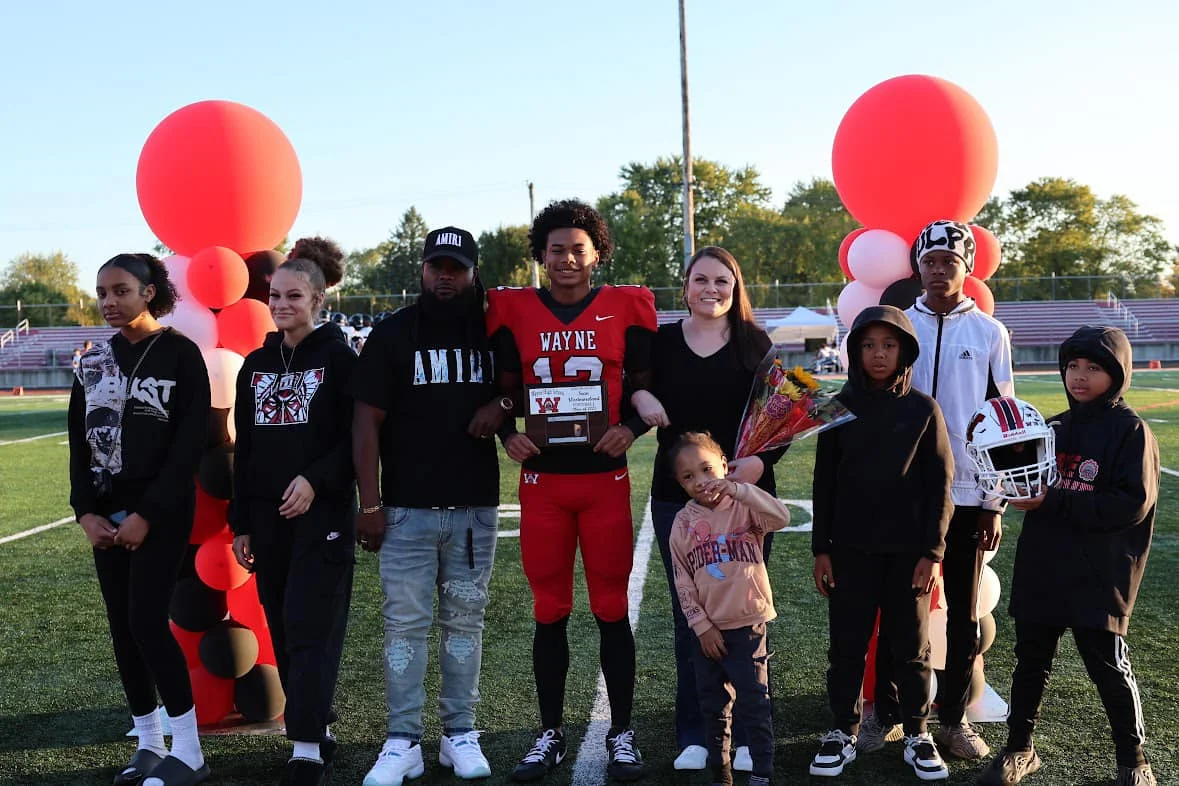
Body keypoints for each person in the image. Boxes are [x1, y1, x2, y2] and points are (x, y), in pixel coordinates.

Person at [487, 199, 657, 782]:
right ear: (540, 254)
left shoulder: (623, 307)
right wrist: (507, 434)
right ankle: (550, 731)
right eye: (555, 248)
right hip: (542, 485)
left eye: (577, 248)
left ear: (597, 254)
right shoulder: (514, 311)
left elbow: (641, 387)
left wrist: (629, 430)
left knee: (611, 607)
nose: (565, 258)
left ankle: (623, 731)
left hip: (604, 483)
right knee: (549, 609)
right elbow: (507, 389)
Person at [354, 226, 504, 786]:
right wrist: (369, 502)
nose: (446, 275)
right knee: (405, 627)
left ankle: (460, 734)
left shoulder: (494, 330)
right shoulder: (393, 333)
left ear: (472, 271)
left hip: (473, 508)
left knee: (465, 622)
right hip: (405, 510)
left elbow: (526, 384)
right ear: (422, 269)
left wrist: (504, 400)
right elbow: (365, 422)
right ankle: (403, 741)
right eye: (437, 265)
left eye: (457, 267)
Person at [978, 326, 1159, 786]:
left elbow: (1131, 504)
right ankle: (1020, 748)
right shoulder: (1051, 427)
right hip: (1045, 562)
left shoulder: (1130, 431)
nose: (1079, 377)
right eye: (1072, 367)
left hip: (1100, 569)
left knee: (1108, 664)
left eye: (1093, 368)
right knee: (1031, 660)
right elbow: (1021, 477)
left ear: (1116, 374)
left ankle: (1134, 760)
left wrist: (1054, 501)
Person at [628, 246, 785, 773]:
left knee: (744, 617)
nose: (711, 289)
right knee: (690, 618)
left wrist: (760, 463)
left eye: (722, 280)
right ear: (686, 286)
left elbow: (789, 411)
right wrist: (638, 398)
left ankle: (746, 733)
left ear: (736, 287)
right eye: (701, 280)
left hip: (741, 500)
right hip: (678, 501)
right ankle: (696, 731)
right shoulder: (662, 342)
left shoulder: (755, 343)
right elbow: (629, 381)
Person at [867, 220, 1015, 760]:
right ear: (918, 267)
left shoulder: (990, 333)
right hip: (906, 493)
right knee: (897, 606)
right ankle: (888, 712)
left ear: (966, 267)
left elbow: (1005, 423)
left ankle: (951, 718)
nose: (937, 270)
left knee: (964, 612)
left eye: (948, 261)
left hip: (971, 495)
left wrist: (995, 499)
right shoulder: (902, 324)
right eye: (929, 261)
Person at [68, 253, 211, 786]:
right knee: (122, 630)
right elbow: (78, 447)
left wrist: (148, 514)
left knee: (148, 622)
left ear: (150, 292)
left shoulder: (179, 354)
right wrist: (84, 512)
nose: (108, 301)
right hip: (105, 515)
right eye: (101, 292)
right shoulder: (93, 362)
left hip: (162, 512)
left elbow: (188, 445)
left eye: (120, 290)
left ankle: (190, 750)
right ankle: (149, 743)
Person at [229, 240, 357, 786]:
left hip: (323, 515)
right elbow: (247, 448)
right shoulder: (255, 365)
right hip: (267, 519)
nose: (281, 304)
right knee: (283, 624)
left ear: (318, 298)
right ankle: (315, 725)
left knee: (311, 625)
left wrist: (315, 480)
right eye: (274, 295)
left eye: (294, 295)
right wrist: (242, 522)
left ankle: (303, 745)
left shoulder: (340, 358)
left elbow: (359, 438)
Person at [810, 305, 954, 781]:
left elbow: (940, 487)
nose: (878, 354)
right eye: (869, 345)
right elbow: (823, 484)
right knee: (847, 646)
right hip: (849, 551)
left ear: (904, 351)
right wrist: (821, 549)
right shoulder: (837, 406)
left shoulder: (923, 409)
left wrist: (932, 553)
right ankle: (842, 730)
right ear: (854, 350)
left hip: (908, 555)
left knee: (911, 648)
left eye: (888, 345)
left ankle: (917, 732)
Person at [669, 431, 790, 786]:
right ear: (679, 482)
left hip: (749, 625)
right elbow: (682, 579)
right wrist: (701, 626)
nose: (701, 481)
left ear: (724, 465)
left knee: (754, 702)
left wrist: (739, 488)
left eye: (707, 469)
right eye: (688, 476)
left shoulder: (745, 506)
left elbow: (780, 516)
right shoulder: (682, 522)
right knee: (713, 706)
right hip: (709, 634)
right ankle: (720, 772)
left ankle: (762, 773)